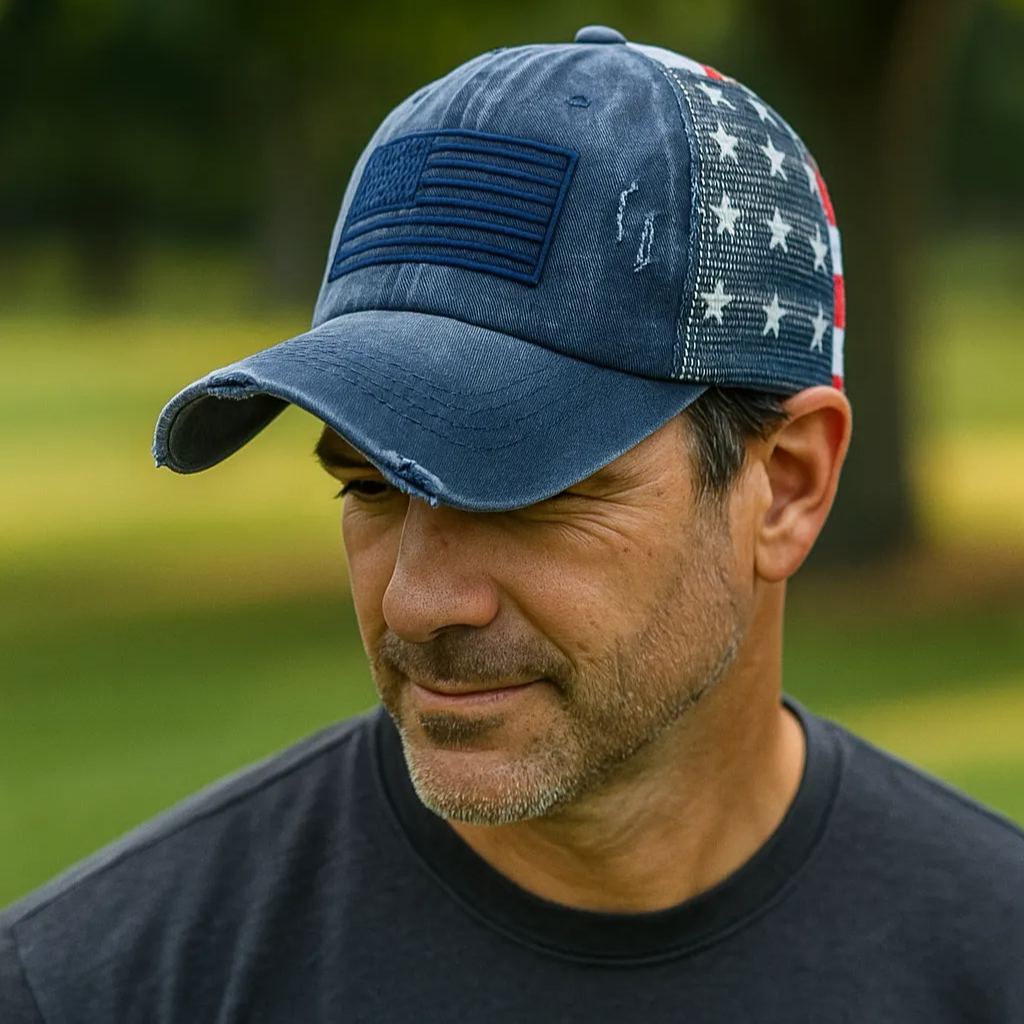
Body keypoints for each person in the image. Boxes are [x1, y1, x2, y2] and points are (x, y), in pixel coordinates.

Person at [2, 25, 1021, 1023]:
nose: (418, 599)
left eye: (531, 488)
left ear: (787, 487)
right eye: (369, 485)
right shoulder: (95, 984)